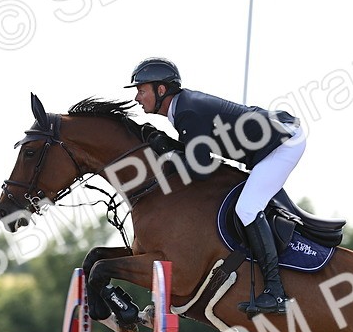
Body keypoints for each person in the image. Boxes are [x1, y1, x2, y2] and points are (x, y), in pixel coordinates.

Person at [125, 57, 304, 315]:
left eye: (141, 90)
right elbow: (199, 156)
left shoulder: (187, 111)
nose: (137, 98)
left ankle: (276, 293)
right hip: (272, 140)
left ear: (161, 90)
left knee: (247, 209)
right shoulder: (182, 108)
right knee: (247, 206)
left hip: (284, 143)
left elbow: (199, 168)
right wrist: (169, 147)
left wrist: (168, 155)